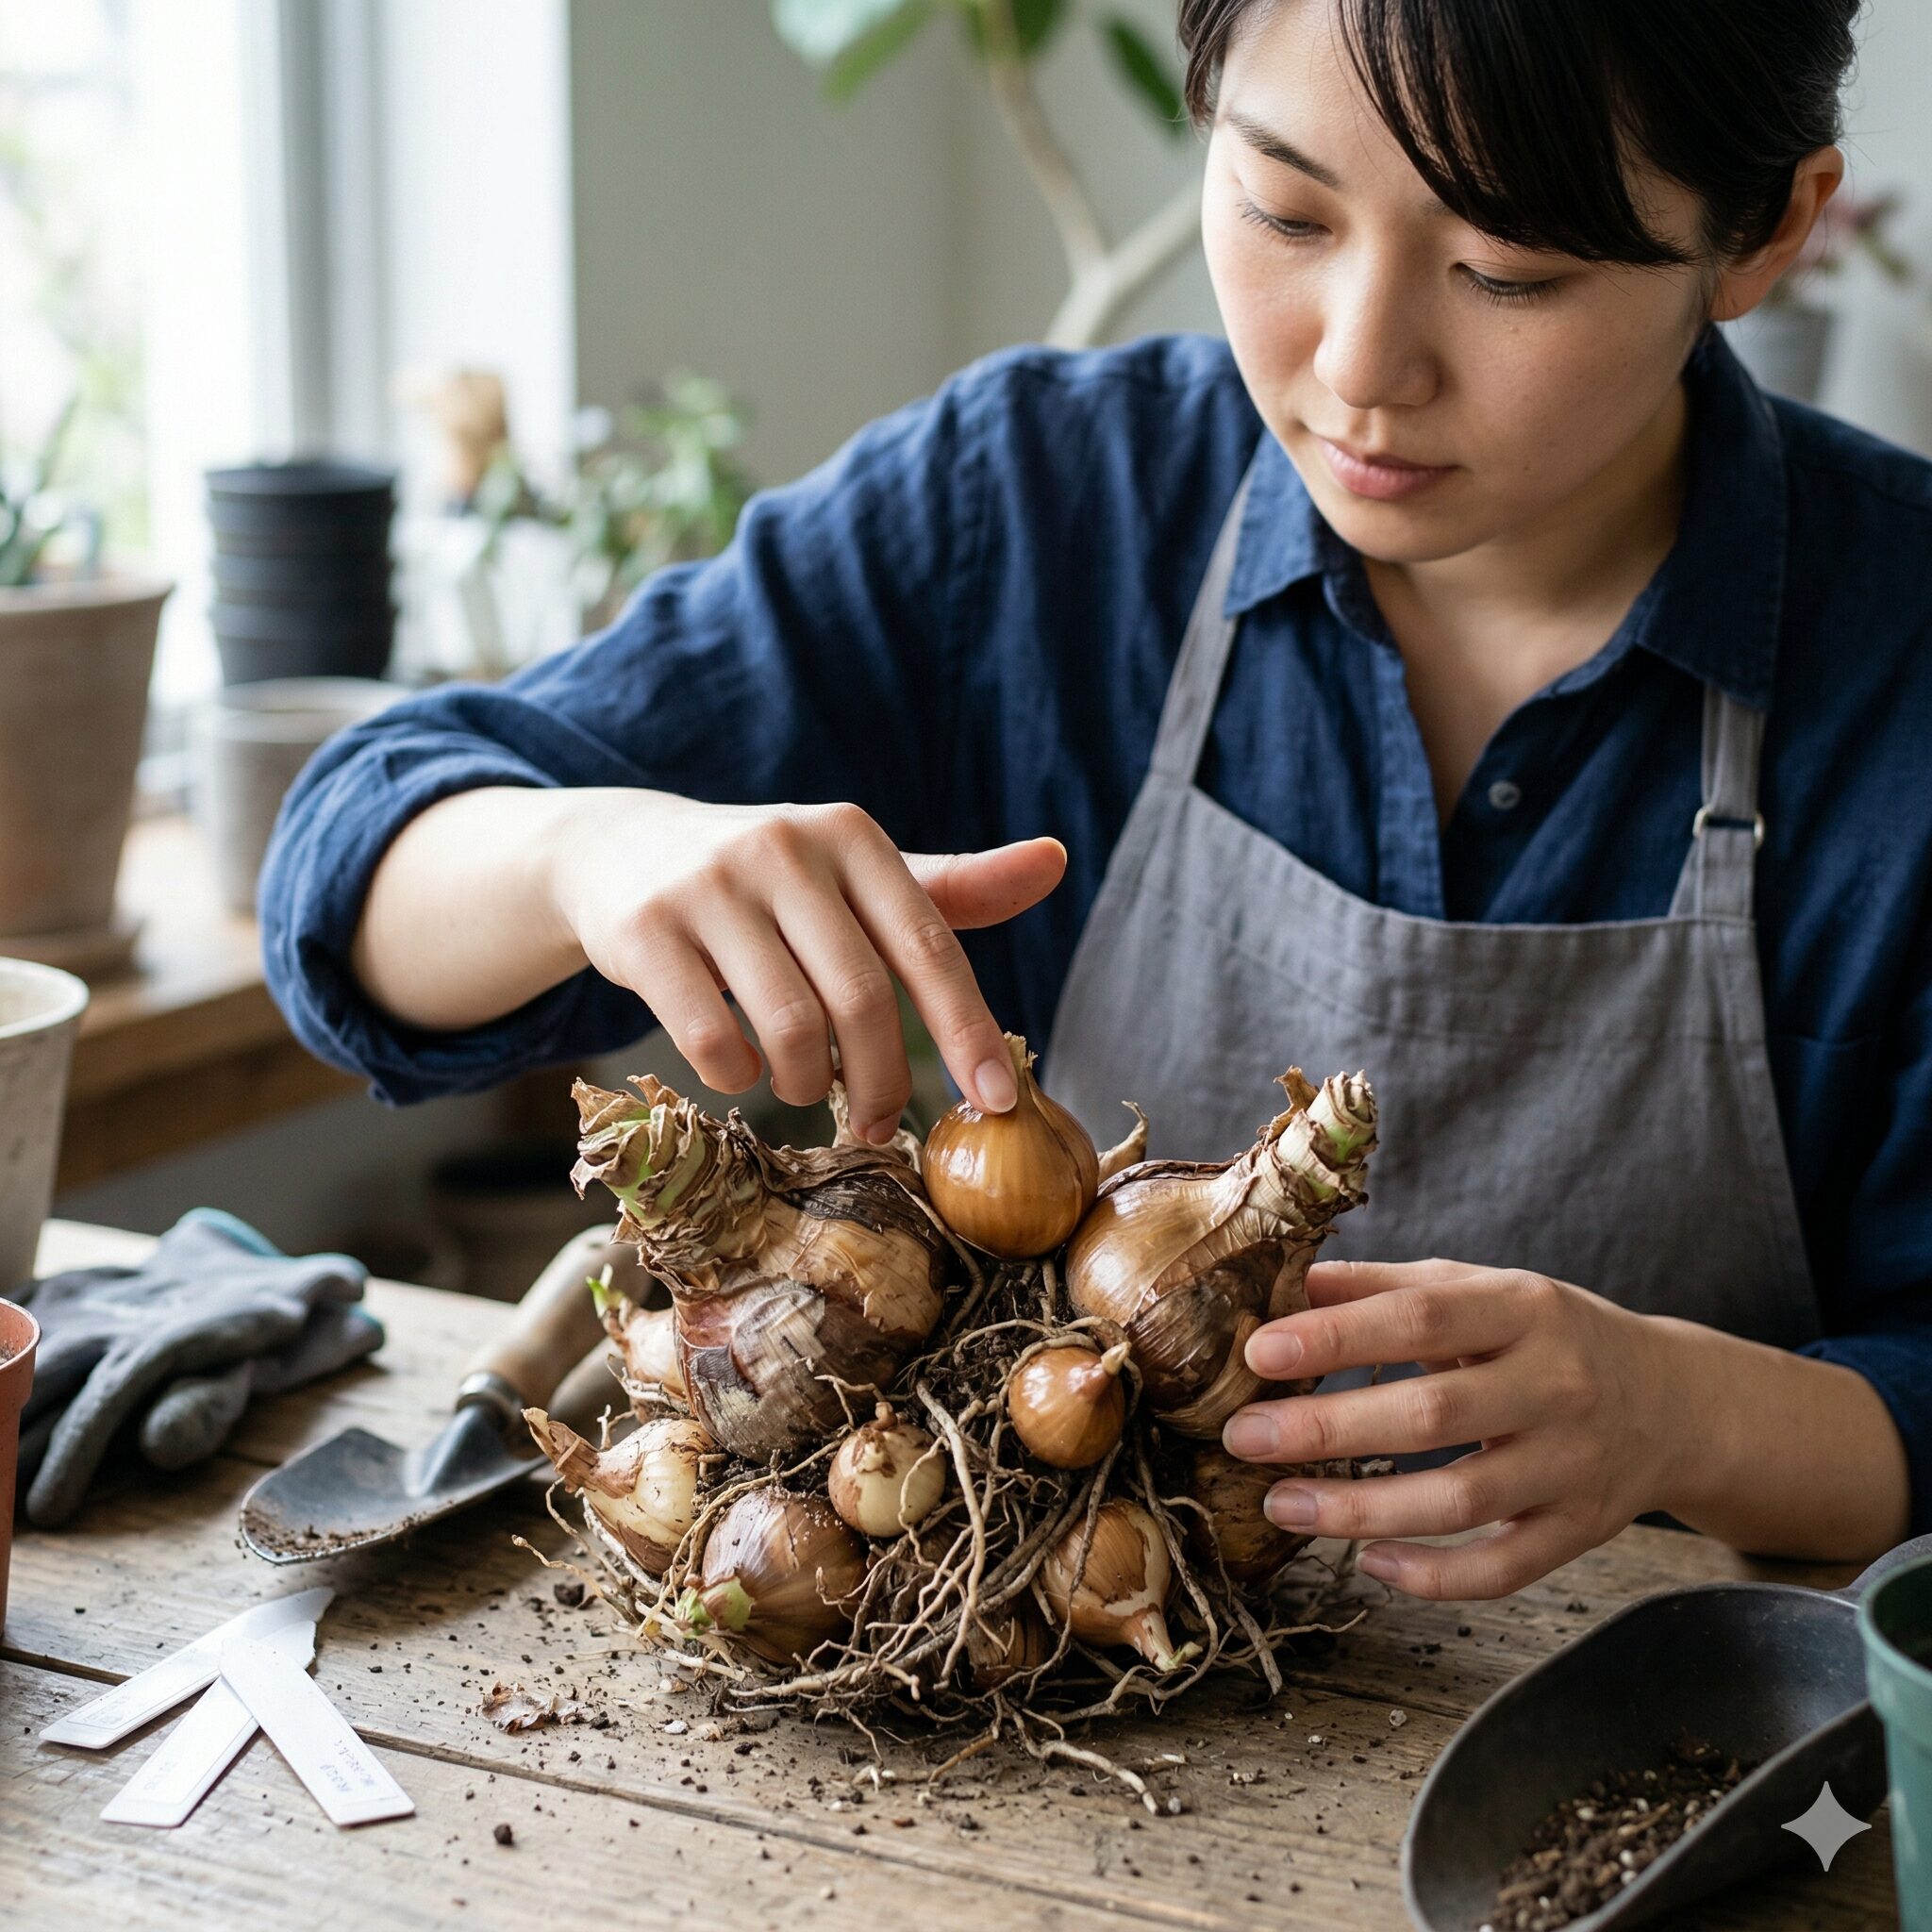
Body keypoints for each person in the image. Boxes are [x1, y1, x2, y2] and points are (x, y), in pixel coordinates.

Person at [262, 0, 1932, 1601]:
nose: (1361, 369)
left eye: (1510, 273)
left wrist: (1689, 1417)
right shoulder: (1041, 510)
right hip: (1070, 1713)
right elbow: (352, 884)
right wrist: (585, 850)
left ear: (1767, 235)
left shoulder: (1900, 658)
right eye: (1285, 211)